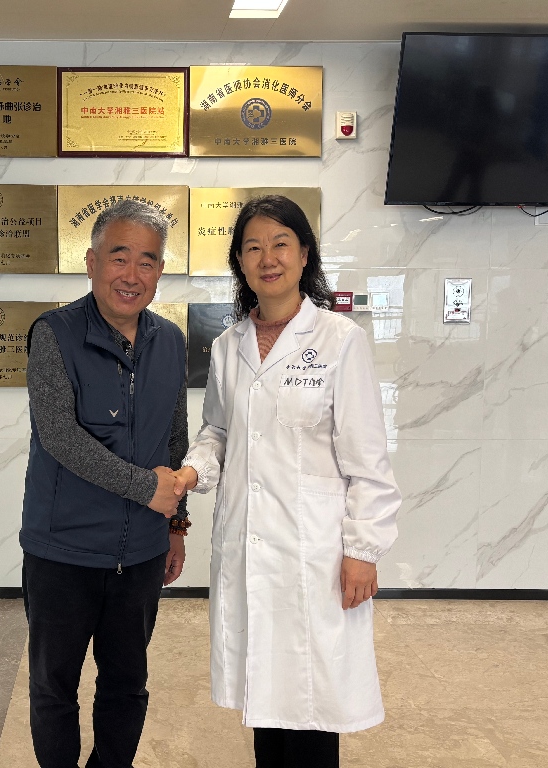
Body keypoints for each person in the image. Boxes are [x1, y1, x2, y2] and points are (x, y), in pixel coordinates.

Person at [172, 196, 400, 768]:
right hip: (248, 546)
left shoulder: (339, 339)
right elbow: (218, 431)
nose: (267, 258)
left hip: (315, 553)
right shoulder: (228, 346)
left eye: (280, 244)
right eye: (253, 247)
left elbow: (368, 460)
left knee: (313, 702)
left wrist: (363, 550)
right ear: (240, 262)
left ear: (304, 254)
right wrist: (193, 471)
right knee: (265, 696)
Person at [21, 198, 190, 768]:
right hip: (62, 551)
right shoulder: (54, 334)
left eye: (147, 261)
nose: (132, 275)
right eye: (119, 258)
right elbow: (59, 438)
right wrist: (146, 489)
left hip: (140, 554)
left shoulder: (169, 341)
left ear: (160, 272)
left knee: (126, 684)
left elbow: (174, 437)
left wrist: (175, 525)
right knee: (54, 688)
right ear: (91, 263)